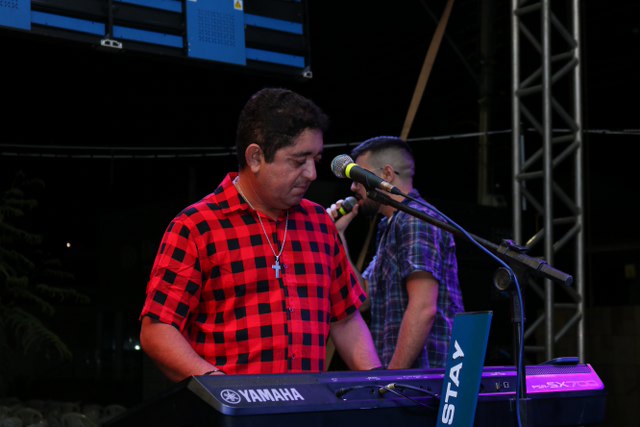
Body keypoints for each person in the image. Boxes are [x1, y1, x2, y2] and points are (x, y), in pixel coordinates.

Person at [139, 88, 382, 381]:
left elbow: (346, 320)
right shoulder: (197, 226)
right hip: (231, 406)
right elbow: (158, 329)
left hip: (307, 405)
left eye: (315, 160)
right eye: (298, 161)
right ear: (255, 157)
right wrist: (220, 387)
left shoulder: (319, 223)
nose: (312, 174)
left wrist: (380, 385)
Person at [328, 136, 464, 369]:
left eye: (358, 178)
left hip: (429, 376)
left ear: (387, 174)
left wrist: (394, 379)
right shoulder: (392, 224)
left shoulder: (415, 220)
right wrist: (338, 236)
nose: (353, 187)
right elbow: (363, 298)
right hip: (409, 378)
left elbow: (423, 308)